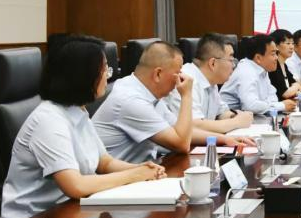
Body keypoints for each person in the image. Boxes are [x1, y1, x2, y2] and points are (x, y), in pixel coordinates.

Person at [0, 36, 164, 218]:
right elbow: (75, 186)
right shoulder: (49, 121)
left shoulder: (78, 111)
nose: (108, 76)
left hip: (68, 217)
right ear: (83, 76)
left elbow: (104, 162)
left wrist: (142, 169)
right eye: (104, 70)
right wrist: (134, 175)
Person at [94, 41, 251, 165]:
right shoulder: (131, 100)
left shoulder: (147, 92)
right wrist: (187, 95)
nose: (181, 79)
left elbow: (180, 131)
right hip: (114, 183)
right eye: (177, 73)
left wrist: (223, 139)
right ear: (158, 74)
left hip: (142, 171)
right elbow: (182, 143)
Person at [162, 32, 252, 134]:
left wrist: (235, 116)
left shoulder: (211, 81)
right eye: (231, 60)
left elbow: (220, 113)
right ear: (213, 63)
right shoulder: (185, 80)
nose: (234, 65)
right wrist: (237, 122)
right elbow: (194, 125)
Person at [222, 34, 290, 114]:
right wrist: (281, 106)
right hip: (227, 117)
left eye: (276, 53)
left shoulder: (261, 68)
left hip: (250, 116)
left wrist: (274, 106)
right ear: (258, 58)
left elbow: (272, 95)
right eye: (273, 54)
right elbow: (250, 106)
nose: (276, 58)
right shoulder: (246, 71)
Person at [267, 29, 301, 108]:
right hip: (276, 108)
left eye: (292, 43)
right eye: (288, 43)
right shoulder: (274, 65)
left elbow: (298, 86)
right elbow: (285, 93)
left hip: (287, 106)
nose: (291, 47)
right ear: (276, 46)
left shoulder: (284, 65)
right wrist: (295, 88)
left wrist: (295, 88)